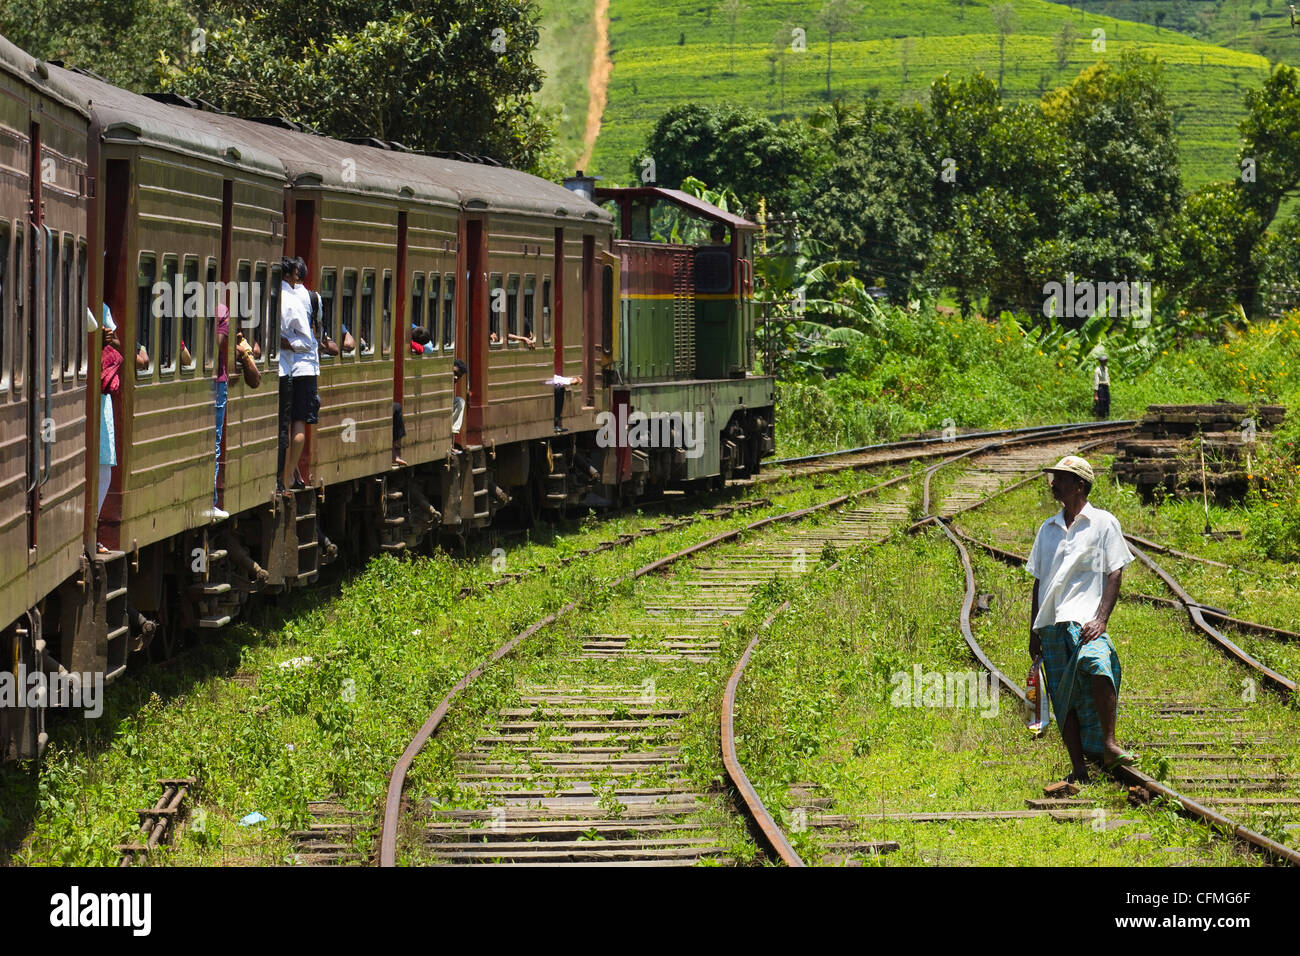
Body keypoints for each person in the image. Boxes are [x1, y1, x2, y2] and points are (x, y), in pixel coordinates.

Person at [1026, 455, 1135, 785]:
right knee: (1063, 696)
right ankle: (1079, 767)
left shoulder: (1103, 523)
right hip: (1052, 623)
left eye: (1060, 477)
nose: (1053, 483)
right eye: (1054, 476)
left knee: (1100, 666)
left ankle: (1109, 743)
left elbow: (1115, 572)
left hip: (1086, 618)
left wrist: (1101, 618)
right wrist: (1034, 631)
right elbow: (1038, 582)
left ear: (1079, 485)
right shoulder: (1048, 529)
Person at [277, 257, 319, 496]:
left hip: (291, 370)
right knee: (296, 423)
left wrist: (280, 342)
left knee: (288, 425)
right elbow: (310, 340)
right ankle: (288, 475)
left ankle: (288, 475)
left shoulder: (289, 298)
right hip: (302, 368)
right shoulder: (306, 299)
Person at [97, 305, 122, 553]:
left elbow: (117, 340)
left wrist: (107, 337)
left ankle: (92, 528)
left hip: (101, 398)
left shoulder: (103, 307)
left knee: (104, 471)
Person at [210, 303, 231, 520]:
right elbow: (215, 346)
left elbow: (213, 348)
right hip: (216, 382)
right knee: (214, 442)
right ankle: (211, 501)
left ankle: (211, 499)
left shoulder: (220, 310)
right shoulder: (221, 311)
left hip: (216, 382)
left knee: (213, 443)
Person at [1093, 354, 1111, 420]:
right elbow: (1096, 383)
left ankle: (1107, 419)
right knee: (1101, 405)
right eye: (1104, 361)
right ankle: (1100, 419)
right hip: (1100, 389)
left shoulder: (1106, 369)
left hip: (1106, 388)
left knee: (1107, 403)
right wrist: (1096, 395)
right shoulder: (1097, 370)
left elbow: (1107, 379)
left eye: (1106, 361)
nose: (1105, 363)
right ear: (1100, 362)